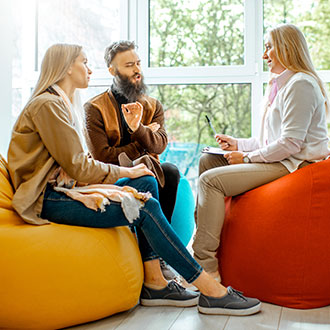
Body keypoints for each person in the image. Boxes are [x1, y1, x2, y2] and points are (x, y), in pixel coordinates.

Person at [7, 43, 261, 316]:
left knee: (147, 184)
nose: (89, 69)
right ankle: (212, 291)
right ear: (67, 67)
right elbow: (82, 166)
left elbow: (154, 146)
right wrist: (129, 170)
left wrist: (136, 157)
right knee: (145, 206)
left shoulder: (62, 104)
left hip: (65, 191)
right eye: (83, 62)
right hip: (48, 198)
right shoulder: (49, 105)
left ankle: (154, 282)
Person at [193, 23, 330, 281]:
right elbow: (268, 140)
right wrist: (238, 145)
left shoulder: (301, 85)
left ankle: (204, 269)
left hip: (296, 165)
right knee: (209, 161)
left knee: (209, 182)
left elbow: (290, 144)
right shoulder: (278, 85)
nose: (265, 54)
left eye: (269, 47)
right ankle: (203, 238)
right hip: (283, 158)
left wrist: (245, 158)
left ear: (286, 48)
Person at [84, 40, 180, 225]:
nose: (137, 70)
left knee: (170, 171)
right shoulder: (94, 108)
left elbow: (158, 145)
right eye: (129, 65)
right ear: (112, 71)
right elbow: (102, 156)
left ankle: (155, 241)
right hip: (111, 174)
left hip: (147, 168)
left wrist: (138, 129)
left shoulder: (153, 105)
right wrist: (141, 138)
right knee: (144, 176)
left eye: (138, 63)